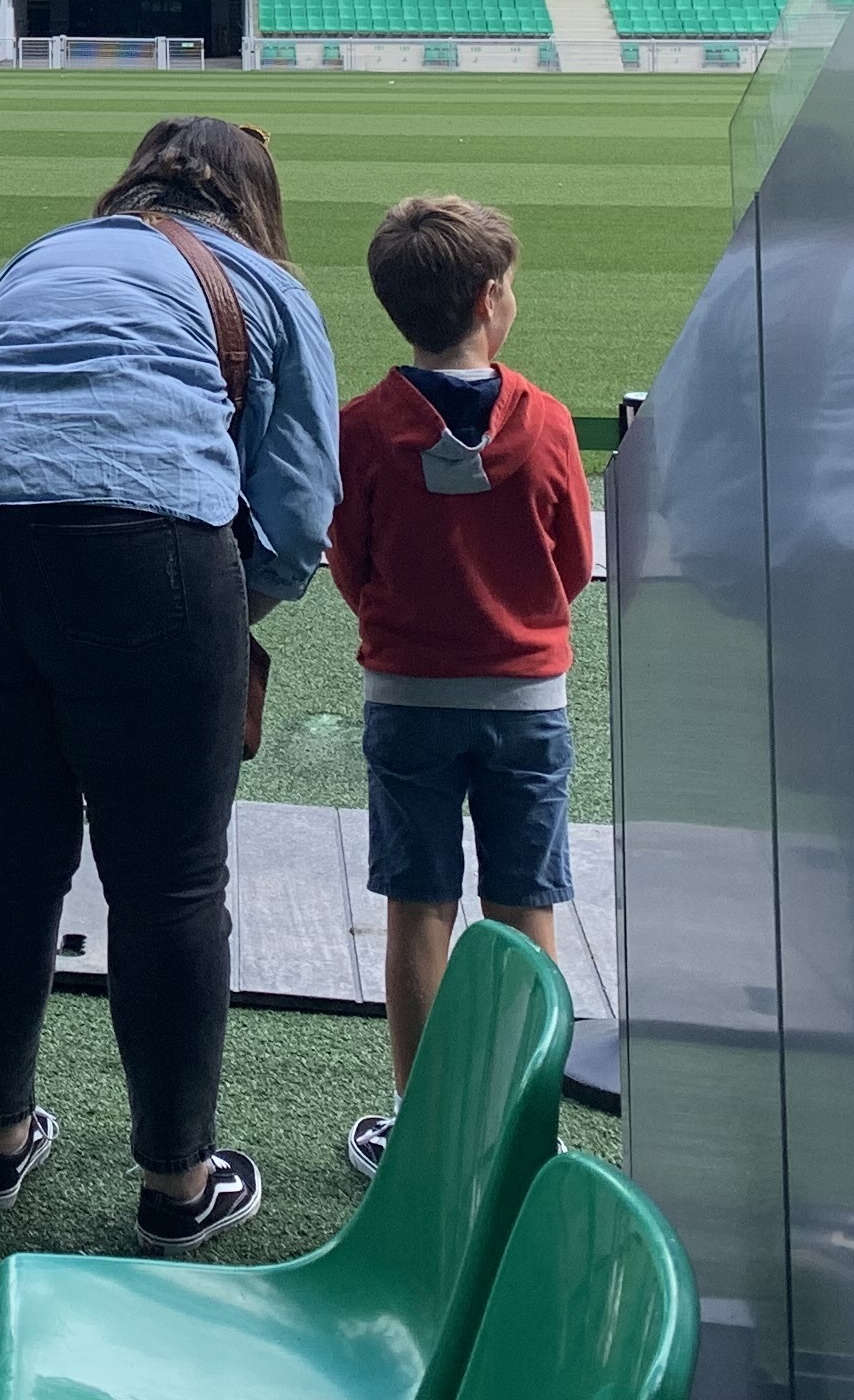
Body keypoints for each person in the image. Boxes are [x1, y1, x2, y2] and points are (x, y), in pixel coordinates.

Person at [0, 116, 340, 1250]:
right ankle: (176, 1185)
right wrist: (229, 614)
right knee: (170, 878)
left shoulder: (48, 252)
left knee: (0, 846)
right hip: (140, 541)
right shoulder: (267, 285)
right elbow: (295, 520)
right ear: (256, 201)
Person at [328, 194, 589, 1181]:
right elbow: (569, 566)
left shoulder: (363, 430)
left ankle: (424, 1129)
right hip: (526, 702)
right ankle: (530, 1131)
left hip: (408, 699)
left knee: (419, 911)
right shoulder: (550, 424)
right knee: (526, 914)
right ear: (489, 300)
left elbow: (348, 562)